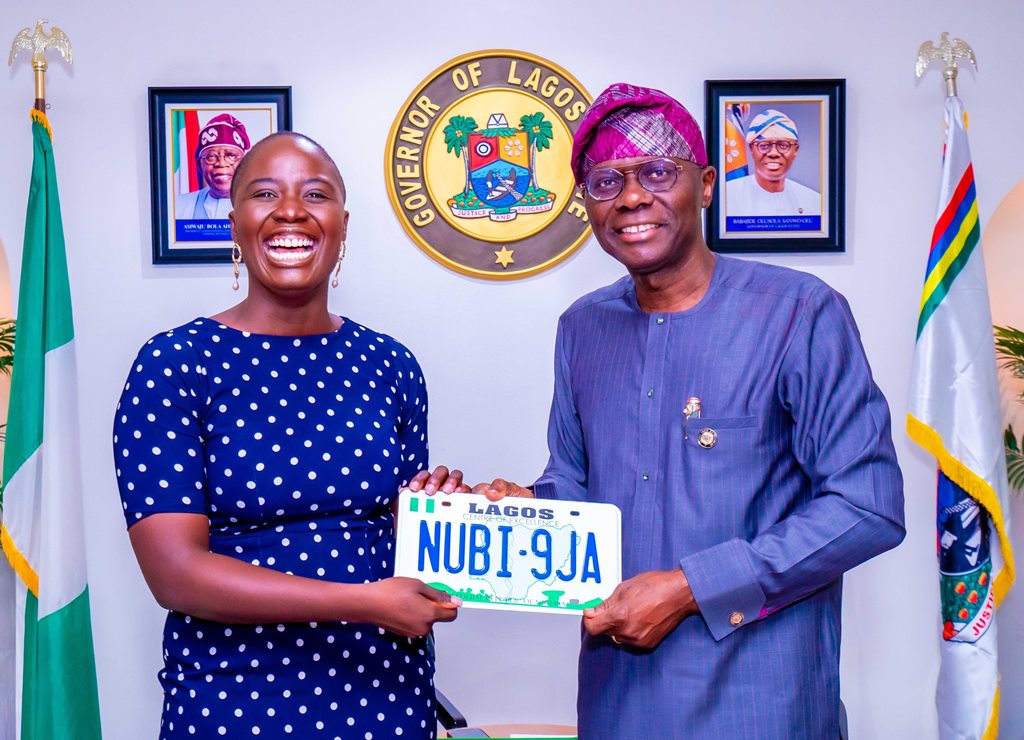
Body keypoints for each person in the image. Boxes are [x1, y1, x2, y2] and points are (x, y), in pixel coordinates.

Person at [468, 83, 905, 738]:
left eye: (656, 173)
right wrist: (517, 506)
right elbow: (577, 485)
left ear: (704, 186)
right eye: (606, 182)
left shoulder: (799, 313)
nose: (631, 198)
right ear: (587, 204)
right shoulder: (582, 327)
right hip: (618, 704)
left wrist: (688, 587)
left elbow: (867, 506)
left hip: (761, 705)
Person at [114, 132, 467, 738]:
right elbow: (174, 573)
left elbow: (403, 541)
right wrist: (364, 602)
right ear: (234, 224)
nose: (291, 211)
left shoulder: (391, 364)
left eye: (316, 194)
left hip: (386, 692)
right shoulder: (175, 364)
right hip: (234, 699)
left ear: (343, 225)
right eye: (265, 194)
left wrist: (445, 510)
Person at [725, 108, 821, 217]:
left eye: (783, 145)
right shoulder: (726, 197)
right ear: (751, 149)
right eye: (764, 145)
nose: (773, 153)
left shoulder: (814, 202)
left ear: (795, 150)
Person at [175, 113, 251, 220]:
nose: (221, 163)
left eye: (231, 155)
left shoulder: (261, 206)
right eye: (211, 156)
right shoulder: (178, 206)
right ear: (199, 165)